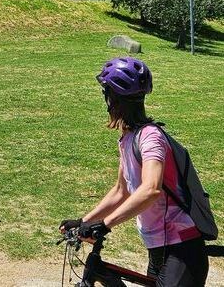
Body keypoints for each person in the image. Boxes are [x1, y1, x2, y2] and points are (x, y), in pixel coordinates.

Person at [59, 57, 209, 287]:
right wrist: (84, 221)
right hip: (158, 249)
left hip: (182, 250)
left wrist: (105, 224)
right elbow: (121, 191)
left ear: (112, 98)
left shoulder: (150, 137)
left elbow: (150, 189)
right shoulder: (129, 137)